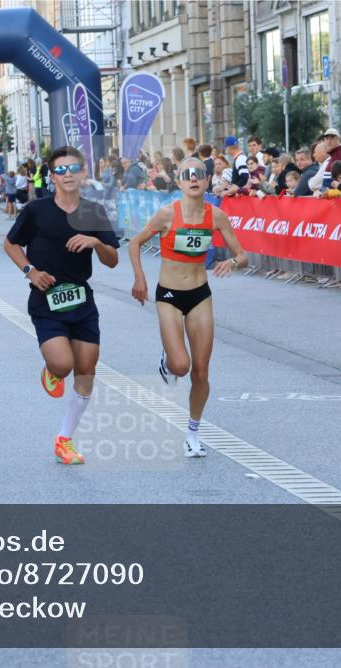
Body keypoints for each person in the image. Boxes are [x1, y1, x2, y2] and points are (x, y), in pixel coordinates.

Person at [2, 146, 119, 466]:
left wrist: (96, 242)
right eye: (61, 170)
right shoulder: (37, 211)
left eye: (73, 168)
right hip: (46, 299)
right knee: (63, 365)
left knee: (86, 372)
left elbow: (112, 259)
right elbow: (10, 243)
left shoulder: (94, 211)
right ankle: (53, 370)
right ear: (52, 177)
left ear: (83, 173)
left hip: (82, 300)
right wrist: (31, 271)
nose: (68, 175)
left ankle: (64, 440)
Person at [127, 157, 247, 458]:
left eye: (199, 175)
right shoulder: (167, 214)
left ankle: (193, 432)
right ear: (179, 182)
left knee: (201, 372)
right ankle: (168, 359)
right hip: (168, 295)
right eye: (187, 175)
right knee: (180, 365)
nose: (194, 179)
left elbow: (242, 254)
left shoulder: (216, 216)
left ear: (207, 181)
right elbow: (135, 243)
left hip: (199, 295)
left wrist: (231, 261)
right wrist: (140, 279)